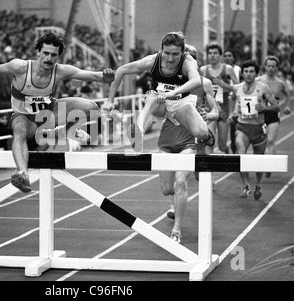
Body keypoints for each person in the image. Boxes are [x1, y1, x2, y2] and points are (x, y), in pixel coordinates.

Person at [0, 32, 115, 193]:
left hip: (49, 112)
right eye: (45, 53)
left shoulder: (60, 71)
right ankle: (22, 174)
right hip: (25, 118)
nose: (48, 58)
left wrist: (106, 76)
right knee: (19, 131)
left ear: (58, 57)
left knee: (91, 107)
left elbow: (91, 75)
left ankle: (66, 130)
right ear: (38, 52)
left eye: (53, 55)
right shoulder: (20, 67)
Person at [102, 31, 215, 152]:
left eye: (175, 54)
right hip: (159, 101)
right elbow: (121, 70)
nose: (170, 59)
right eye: (166, 53)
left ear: (183, 53)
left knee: (201, 132)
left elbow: (196, 81)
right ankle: (138, 133)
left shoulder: (188, 62)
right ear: (161, 50)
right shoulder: (153, 60)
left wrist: (172, 93)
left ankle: (207, 136)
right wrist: (110, 100)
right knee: (152, 99)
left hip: (181, 103)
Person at [158, 45, 219, 243]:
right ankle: (175, 202)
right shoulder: (167, 81)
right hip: (167, 136)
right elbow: (157, 112)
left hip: (188, 138)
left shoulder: (204, 83)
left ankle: (177, 229)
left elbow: (216, 112)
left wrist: (207, 115)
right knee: (168, 189)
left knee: (181, 181)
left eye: (190, 58)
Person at [229, 59, 279, 200]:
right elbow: (232, 98)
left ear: (256, 73)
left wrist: (265, 108)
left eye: (251, 71)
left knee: (258, 160)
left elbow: (276, 106)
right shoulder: (237, 88)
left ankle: (258, 184)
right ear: (243, 73)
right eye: (246, 71)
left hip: (258, 128)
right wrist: (233, 113)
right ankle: (245, 185)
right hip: (242, 126)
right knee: (241, 153)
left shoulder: (263, 88)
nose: (249, 74)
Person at [199, 43, 239, 155]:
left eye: (215, 53)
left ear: (220, 55)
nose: (212, 56)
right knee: (209, 143)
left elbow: (239, 89)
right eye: (210, 53)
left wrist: (223, 84)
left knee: (221, 146)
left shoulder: (227, 69)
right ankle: (208, 170)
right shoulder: (203, 70)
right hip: (209, 110)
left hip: (224, 110)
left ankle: (227, 152)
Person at [256, 56, 291, 178]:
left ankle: (269, 166)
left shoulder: (280, 83)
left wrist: (287, 106)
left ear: (276, 68)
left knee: (271, 141)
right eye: (268, 66)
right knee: (263, 142)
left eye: (273, 66)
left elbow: (287, 96)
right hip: (260, 114)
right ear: (265, 67)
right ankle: (266, 163)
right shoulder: (258, 80)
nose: (270, 68)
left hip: (273, 114)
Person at [223, 49, 242, 154]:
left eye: (230, 55)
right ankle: (224, 146)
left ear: (234, 58)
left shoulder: (238, 69)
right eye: (225, 55)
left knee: (234, 131)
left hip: (235, 102)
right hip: (223, 102)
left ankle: (234, 151)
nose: (227, 57)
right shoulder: (218, 69)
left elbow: (241, 85)